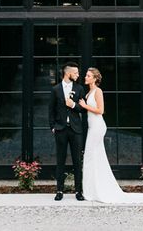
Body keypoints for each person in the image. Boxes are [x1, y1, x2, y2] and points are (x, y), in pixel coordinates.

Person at [78, 67, 143, 204]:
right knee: (92, 157)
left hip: (97, 127)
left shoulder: (98, 91)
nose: (85, 77)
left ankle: (97, 190)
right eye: (86, 75)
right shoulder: (89, 92)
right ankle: (92, 190)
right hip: (92, 127)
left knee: (92, 156)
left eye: (88, 76)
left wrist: (84, 106)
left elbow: (101, 110)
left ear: (95, 78)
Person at [49, 62, 86, 201]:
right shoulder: (56, 89)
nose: (78, 75)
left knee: (77, 160)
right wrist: (52, 126)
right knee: (60, 160)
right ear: (67, 73)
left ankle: (78, 191)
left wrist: (74, 105)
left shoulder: (79, 88)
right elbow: (50, 110)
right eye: (75, 73)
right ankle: (59, 190)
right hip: (61, 129)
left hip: (76, 130)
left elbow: (83, 108)